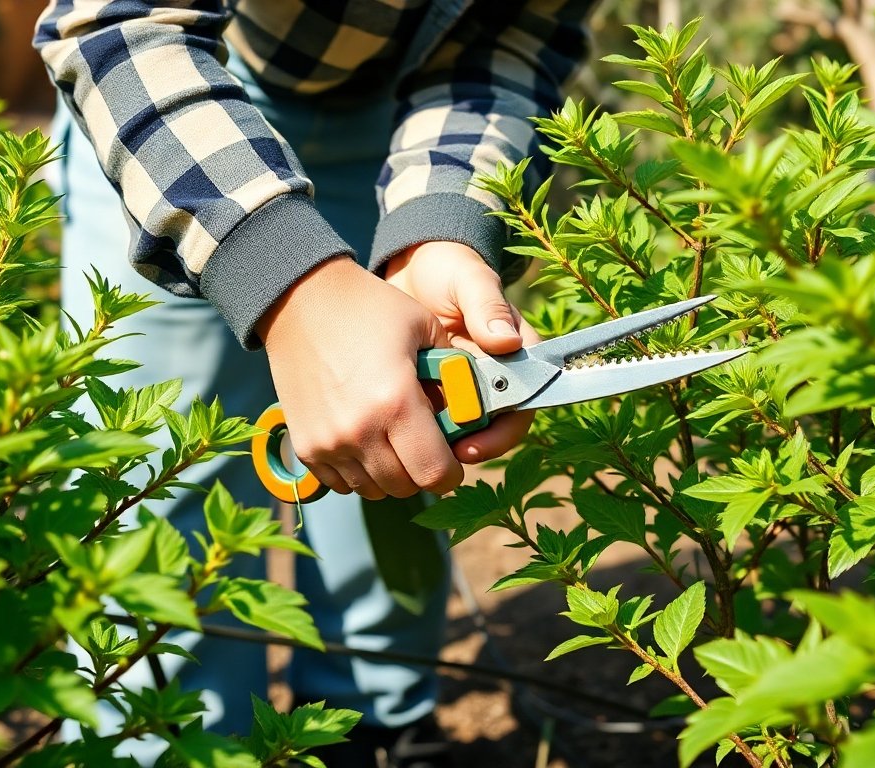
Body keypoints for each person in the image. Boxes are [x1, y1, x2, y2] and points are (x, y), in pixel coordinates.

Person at [34, 1, 593, 765]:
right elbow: (114, 20)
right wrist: (285, 275)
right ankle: (158, 747)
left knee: (391, 448)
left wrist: (443, 225)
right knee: (158, 481)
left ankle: (376, 726)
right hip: (170, 104)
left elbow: (508, 38)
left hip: (404, 131)